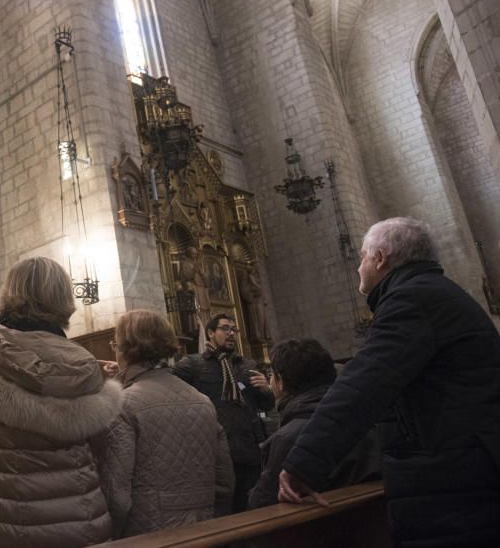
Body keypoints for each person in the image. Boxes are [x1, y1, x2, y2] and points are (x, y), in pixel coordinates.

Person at [279, 218, 500, 546]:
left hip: (453, 484)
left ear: (380, 258)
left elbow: (361, 387)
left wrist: (303, 464)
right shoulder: (436, 294)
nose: (358, 267)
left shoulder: (412, 301)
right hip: (465, 468)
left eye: (363, 257)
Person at [0, 256, 122, 547]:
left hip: (3, 525)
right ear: (63, 298)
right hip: (79, 525)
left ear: (9, 293)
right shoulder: (84, 365)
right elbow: (102, 451)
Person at [97, 310, 234, 537]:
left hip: (150, 534)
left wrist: (116, 537)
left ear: (125, 349)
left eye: (115, 345)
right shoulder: (202, 401)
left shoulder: (123, 405)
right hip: (204, 530)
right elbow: (225, 481)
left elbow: (117, 494)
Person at [246, 338, 379, 509]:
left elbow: (261, 504)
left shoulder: (287, 438)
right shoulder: (364, 419)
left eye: (271, 375)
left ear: (280, 381)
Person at [174, 314, 273, 512]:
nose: (231, 333)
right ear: (210, 333)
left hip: (248, 450)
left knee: (253, 508)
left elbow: (265, 406)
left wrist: (266, 391)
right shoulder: (193, 365)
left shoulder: (247, 365)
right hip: (214, 451)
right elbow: (165, 383)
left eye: (234, 330)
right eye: (225, 328)